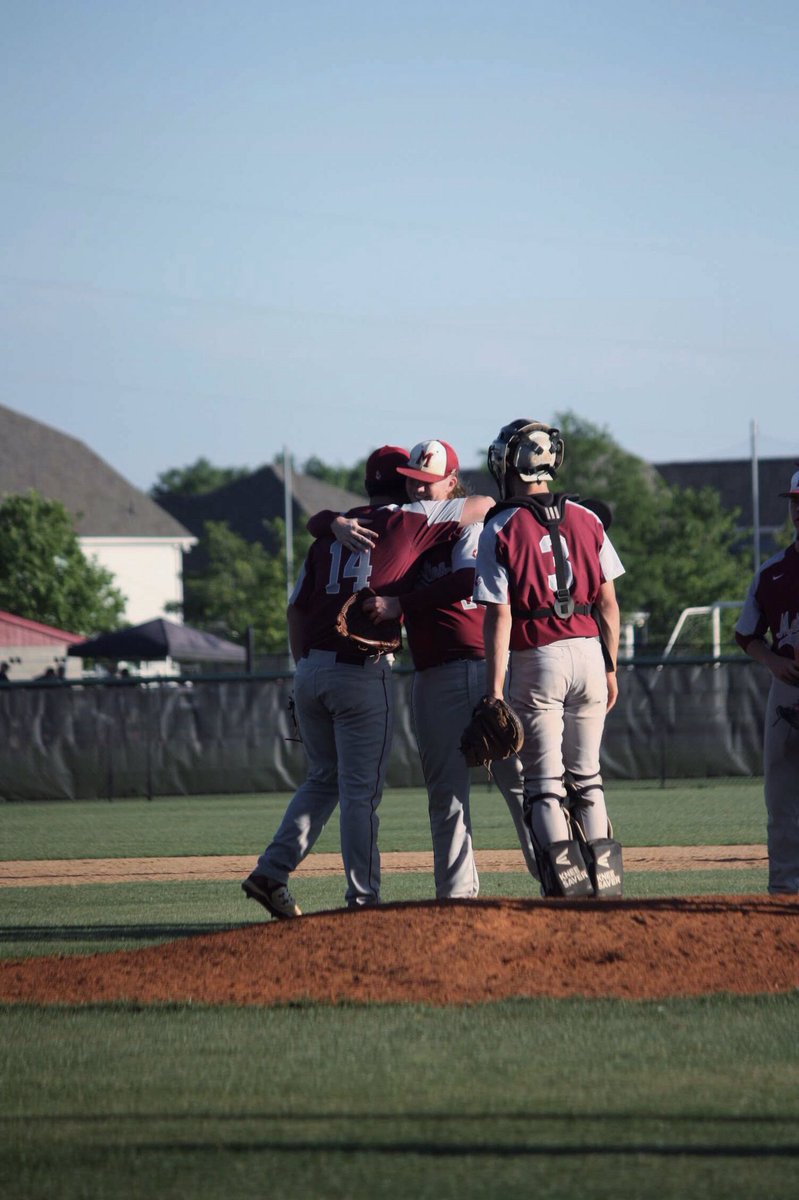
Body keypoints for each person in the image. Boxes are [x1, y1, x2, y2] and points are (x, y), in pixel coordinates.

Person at [242, 446, 490, 918]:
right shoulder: (410, 519)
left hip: (311, 668)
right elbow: (486, 506)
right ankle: (363, 902)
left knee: (322, 778)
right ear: (402, 487)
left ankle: (273, 870)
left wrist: (330, 520)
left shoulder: (328, 536)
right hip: (361, 670)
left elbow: (294, 607)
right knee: (360, 792)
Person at [338, 439, 539, 899]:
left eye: (431, 484)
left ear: (452, 483)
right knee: (445, 795)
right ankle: (456, 899)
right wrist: (333, 522)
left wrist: (401, 603)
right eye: (414, 483)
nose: (421, 492)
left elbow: (469, 577)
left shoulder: (467, 523)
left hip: (487, 665)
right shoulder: (406, 528)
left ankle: (555, 881)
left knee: (520, 783)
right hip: (433, 673)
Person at [474, 419, 625, 897]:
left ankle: (567, 889)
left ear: (507, 463)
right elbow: (608, 604)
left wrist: (493, 692)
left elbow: (499, 617)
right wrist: (610, 664)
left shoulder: (500, 524)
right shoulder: (589, 517)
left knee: (544, 783)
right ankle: (606, 882)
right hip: (588, 650)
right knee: (588, 777)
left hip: (538, 652)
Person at [734, 467, 799, 895]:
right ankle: (785, 891)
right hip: (789, 691)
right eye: (796, 502)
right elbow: (746, 634)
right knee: (782, 800)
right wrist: (771, 660)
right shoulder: (774, 572)